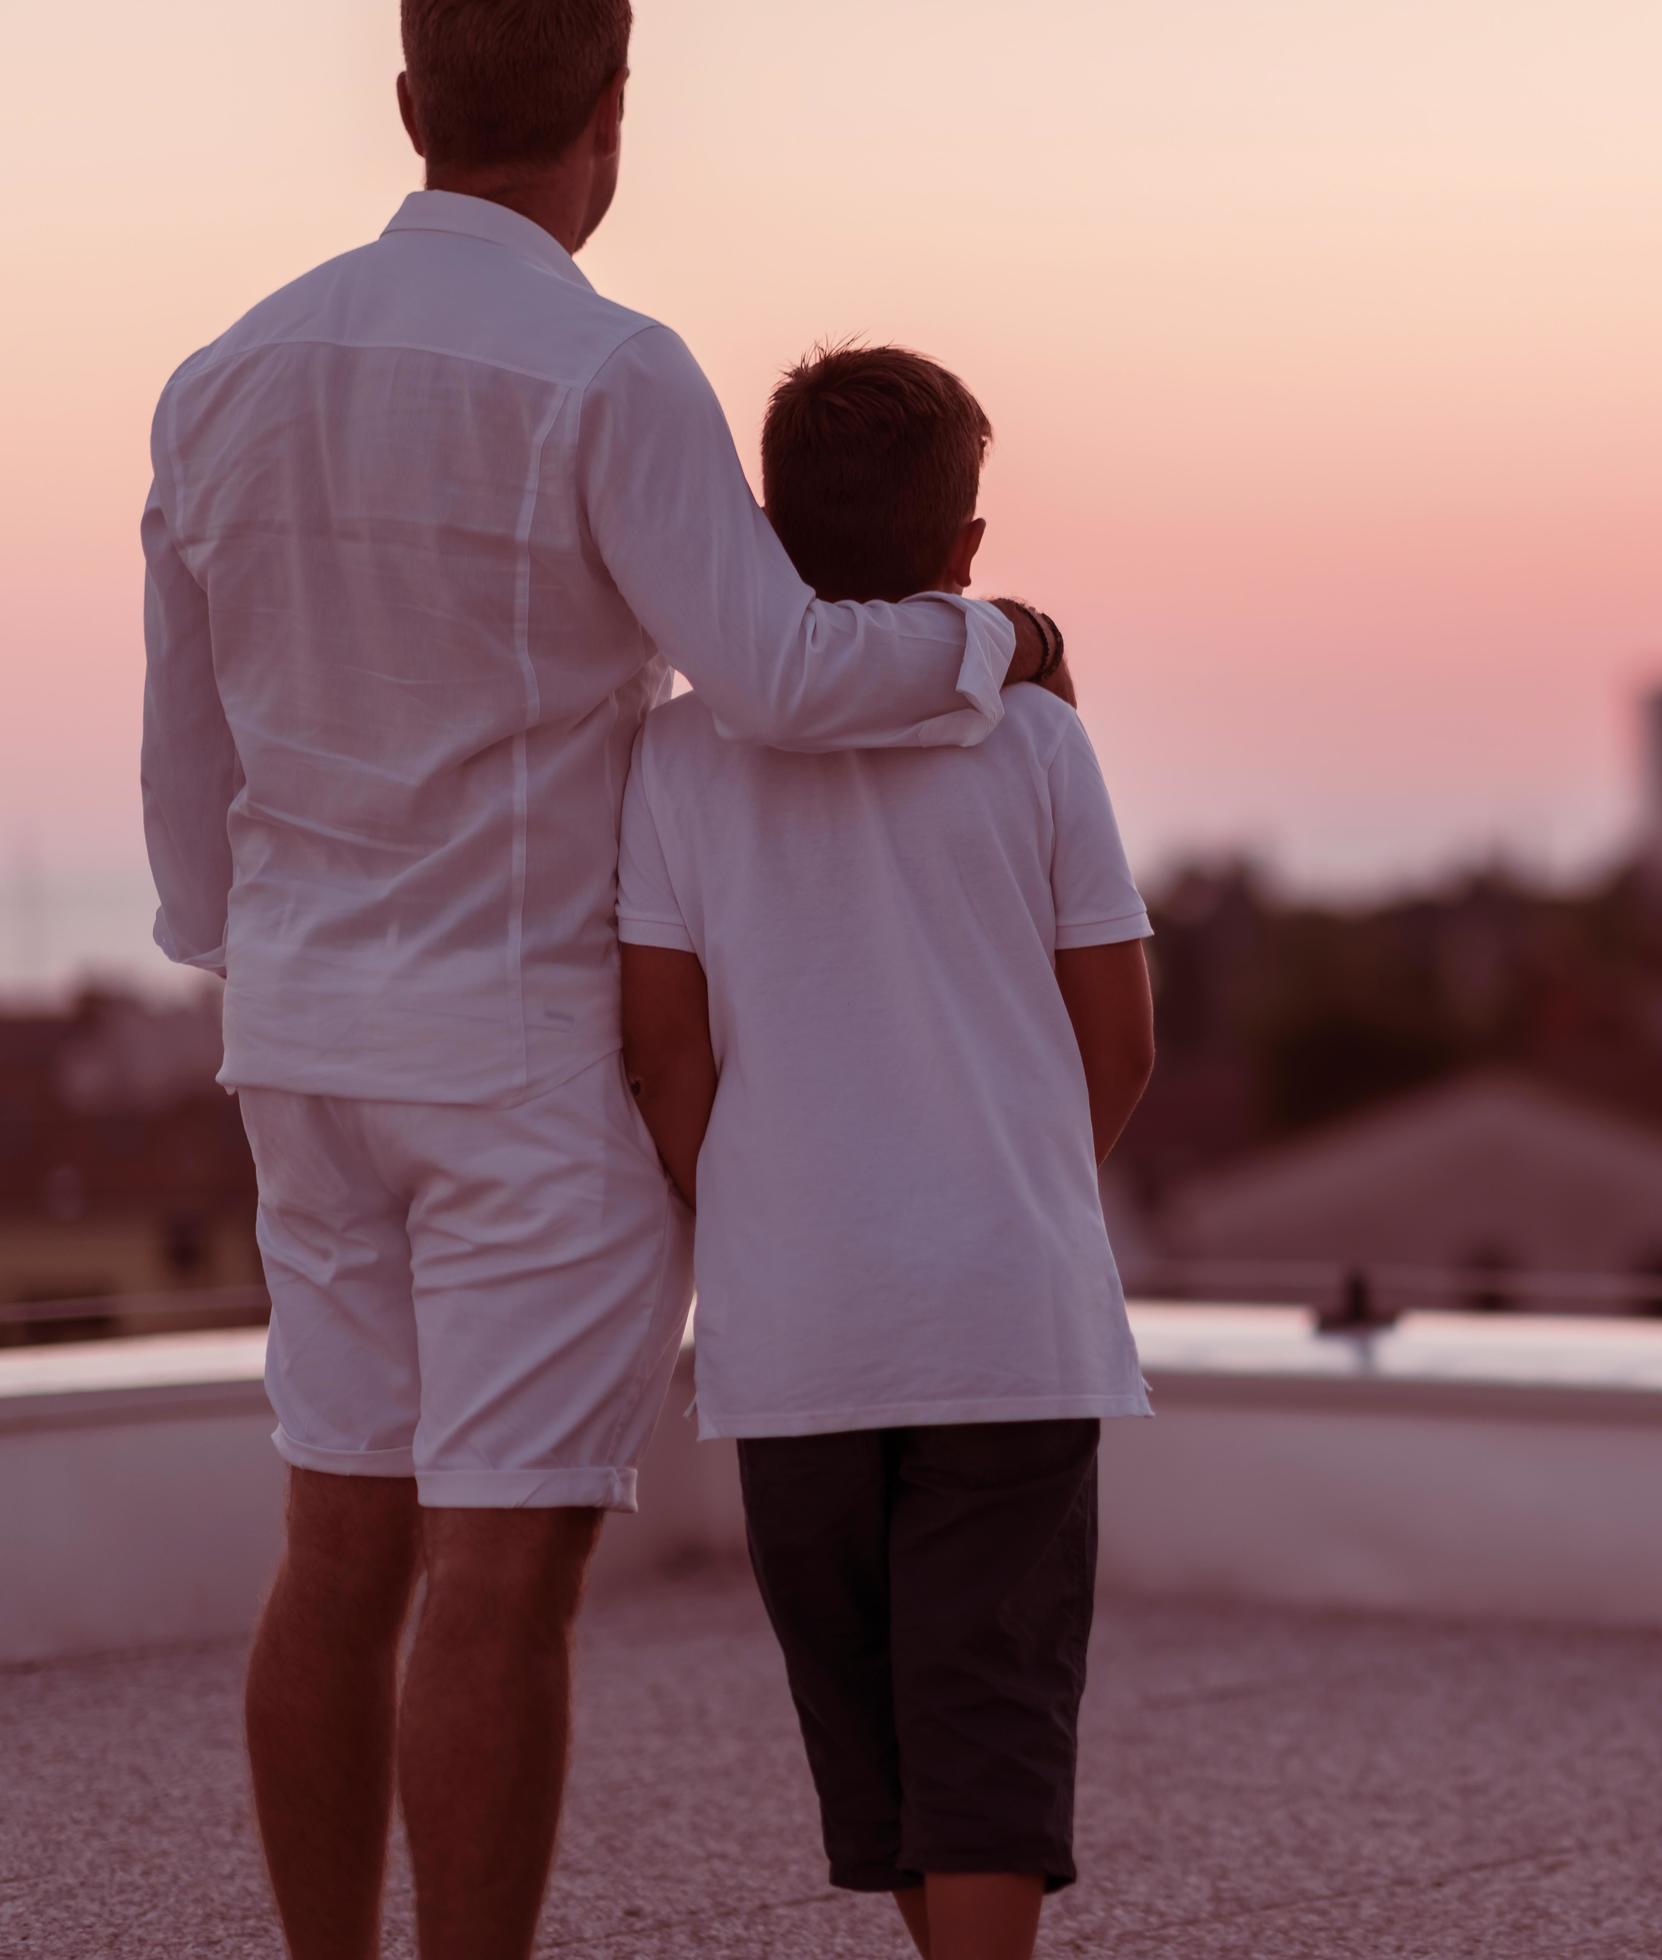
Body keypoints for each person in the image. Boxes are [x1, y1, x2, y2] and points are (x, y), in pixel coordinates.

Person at [134, 5, 1067, 1956]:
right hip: (524, 1058)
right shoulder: (608, 365)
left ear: (407, 102)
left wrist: (262, 968)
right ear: (613, 114)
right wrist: (992, 640)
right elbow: (786, 676)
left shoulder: (223, 373)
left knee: (333, 1542)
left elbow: (181, 771)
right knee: (499, 1570)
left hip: (302, 1039)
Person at [615, 342, 1157, 1960]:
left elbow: (662, 1057)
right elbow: (1115, 1043)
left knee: (877, 1737)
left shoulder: (677, 759)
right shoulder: (1042, 743)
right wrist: (1012, 1186)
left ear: (766, 542)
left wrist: (777, 1210)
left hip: (799, 1328)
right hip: (1009, 1310)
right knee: (984, 1722)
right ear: (966, 550)